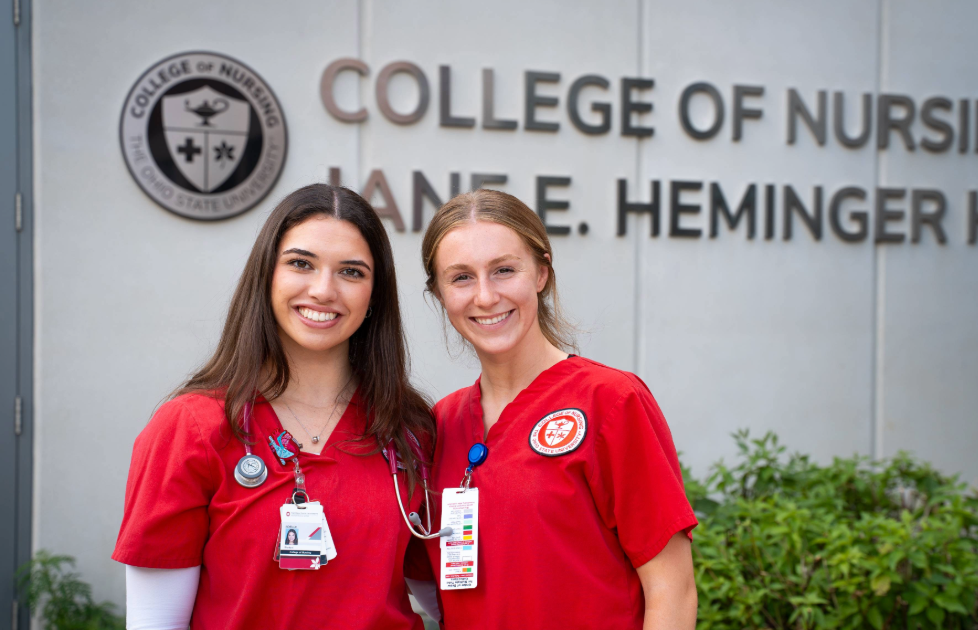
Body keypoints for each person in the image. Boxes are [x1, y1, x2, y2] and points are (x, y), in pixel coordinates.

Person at [113, 184, 436, 629]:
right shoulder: (190, 428)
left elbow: (449, 597)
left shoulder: (409, 427)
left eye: (352, 272)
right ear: (267, 273)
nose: (323, 290)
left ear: (374, 294)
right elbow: (155, 622)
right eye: (301, 263)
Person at [415, 189, 698, 629]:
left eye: (504, 270)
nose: (486, 296)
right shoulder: (442, 424)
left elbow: (672, 590)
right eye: (462, 278)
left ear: (542, 273)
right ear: (439, 293)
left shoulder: (611, 401)